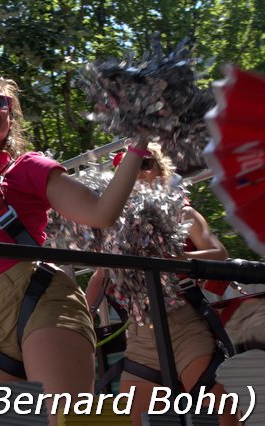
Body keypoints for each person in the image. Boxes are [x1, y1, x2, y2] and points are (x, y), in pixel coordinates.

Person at [0, 74, 151, 425]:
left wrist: (138, 146)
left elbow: (100, 213)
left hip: (38, 301)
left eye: (0, 102)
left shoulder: (28, 168)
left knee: (66, 420)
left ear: (10, 118)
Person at [86, 143, 237, 426]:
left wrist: (180, 258)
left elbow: (220, 254)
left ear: (160, 169)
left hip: (184, 325)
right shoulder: (116, 227)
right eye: (128, 169)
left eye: (145, 164)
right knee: (128, 419)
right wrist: (80, 324)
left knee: (222, 409)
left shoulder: (183, 213)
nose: (138, 174)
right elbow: (99, 277)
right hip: (141, 333)